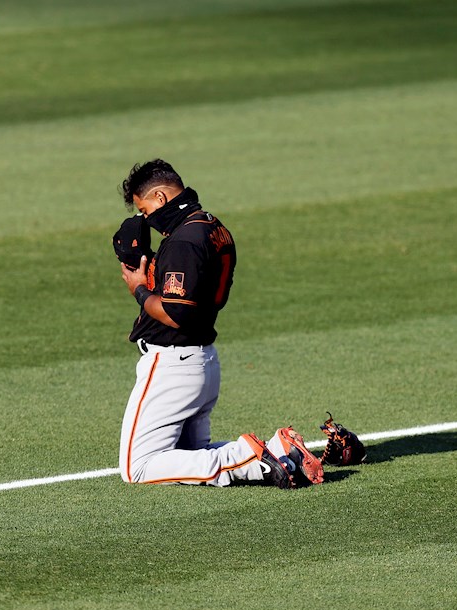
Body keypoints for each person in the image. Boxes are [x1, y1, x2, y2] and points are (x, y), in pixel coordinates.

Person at [115, 159, 324, 489]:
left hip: (173, 365)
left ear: (159, 196)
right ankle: (277, 453)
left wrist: (139, 289)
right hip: (201, 361)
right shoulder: (212, 226)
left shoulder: (184, 239)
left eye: (144, 210)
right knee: (188, 453)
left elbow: (175, 313)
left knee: (136, 467)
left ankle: (249, 455)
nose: (145, 219)